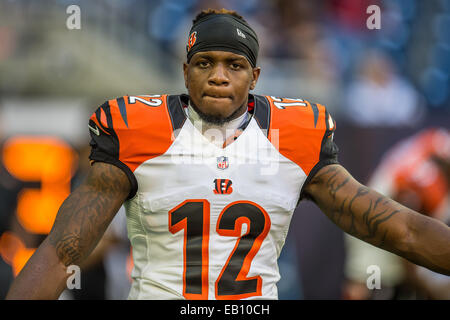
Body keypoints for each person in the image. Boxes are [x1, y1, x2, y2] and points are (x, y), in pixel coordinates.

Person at [6, 8, 450, 300]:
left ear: (254, 76)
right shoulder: (140, 134)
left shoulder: (292, 137)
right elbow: (61, 253)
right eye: (205, 63)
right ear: (185, 70)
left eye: (233, 65)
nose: (218, 76)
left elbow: (404, 231)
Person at [344, 128, 450, 300]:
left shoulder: (435, 141)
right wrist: (419, 278)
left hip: (373, 212)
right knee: (370, 283)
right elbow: (408, 230)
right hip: (378, 225)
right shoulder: (427, 181)